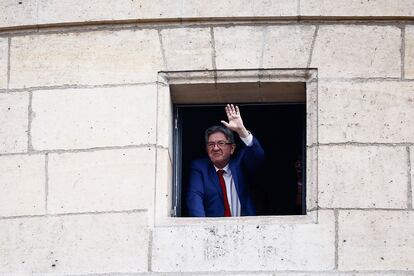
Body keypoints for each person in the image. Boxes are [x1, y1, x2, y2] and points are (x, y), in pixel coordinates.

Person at [186, 104, 265, 217]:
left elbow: (258, 157)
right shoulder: (199, 167)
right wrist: (202, 229)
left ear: (232, 148)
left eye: (221, 143)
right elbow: (194, 198)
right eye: (211, 144)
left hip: (246, 228)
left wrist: (241, 130)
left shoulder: (240, 163)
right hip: (212, 231)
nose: (216, 148)